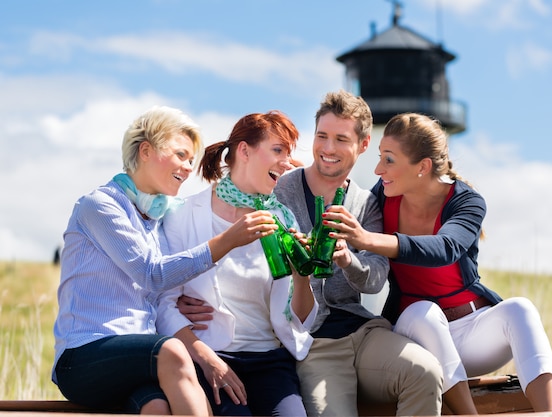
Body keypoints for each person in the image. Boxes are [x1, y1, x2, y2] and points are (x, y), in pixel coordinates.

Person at [180, 91, 443, 417]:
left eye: (341, 139)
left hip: (363, 332)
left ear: (362, 146)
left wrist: (349, 257)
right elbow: (230, 211)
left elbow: (375, 280)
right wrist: (187, 295)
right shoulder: (276, 192)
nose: (328, 148)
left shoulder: (365, 203)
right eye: (322, 136)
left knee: (425, 373)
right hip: (311, 344)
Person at [324, 112, 552, 414]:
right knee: (425, 312)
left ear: (422, 167)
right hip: (419, 335)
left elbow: (445, 248)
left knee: (520, 309)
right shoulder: (381, 199)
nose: (378, 169)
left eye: (389, 159)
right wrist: (303, 176)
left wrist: (368, 239)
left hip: (473, 333)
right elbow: (342, 200)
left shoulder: (467, 202)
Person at [53, 106, 275, 416]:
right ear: (145, 150)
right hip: (83, 357)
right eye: (181, 155)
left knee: (157, 408)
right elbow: (151, 274)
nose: (187, 168)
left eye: (191, 161)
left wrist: (186, 297)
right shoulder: (101, 205)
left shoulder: (160, 219)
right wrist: (227, 241)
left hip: (138, 359)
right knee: (172, 350)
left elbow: (167, 284)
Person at [157, 111, 318, 417]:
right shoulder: (184, 215)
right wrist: (207, 360)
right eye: (278, 150)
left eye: (289, 154)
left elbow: (300, 321)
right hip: (211, 358)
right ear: (244, 151)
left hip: (271, 363)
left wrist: (302, 277)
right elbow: (163, 303)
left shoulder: (283, 220)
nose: (287, 163)